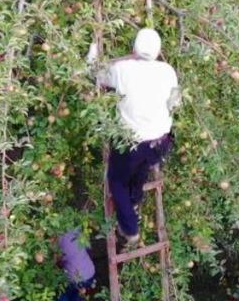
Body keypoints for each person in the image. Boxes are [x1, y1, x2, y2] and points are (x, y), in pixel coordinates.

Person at [86, 28, 180, 245]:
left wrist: (94, 48)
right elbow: (175, 103)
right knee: (142, 169)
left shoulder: (122, 69)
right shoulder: (168, 71)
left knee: (117, 180)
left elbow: (94, 73)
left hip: (132, 143)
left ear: (133, 48)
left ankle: (130, 229)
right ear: (158, 51)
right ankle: (134, 201)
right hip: (161, 142)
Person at [57, 230, 96, 301]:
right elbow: (87, 247)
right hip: (90, 273)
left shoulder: (59, 240)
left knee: (64, 295)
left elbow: (58, 262)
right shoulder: (75, 229)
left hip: (75, 279)